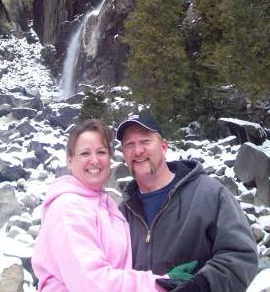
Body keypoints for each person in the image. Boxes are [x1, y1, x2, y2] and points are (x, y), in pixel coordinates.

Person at [32, 118, 192, 292]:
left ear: (110, 158)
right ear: (70, 160)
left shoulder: (106, 204)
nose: (94, 160)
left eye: (101, 152)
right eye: (85, 153)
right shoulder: (68, 207)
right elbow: (91, 283)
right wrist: (161, 283)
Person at [116, 112, 258, 292]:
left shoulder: (209, 193)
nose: (138, 150)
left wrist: (201, 286)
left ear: (164, 146)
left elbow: (241, 255)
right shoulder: (122, 211)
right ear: (123, 153)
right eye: (130, 144)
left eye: (145, 141)